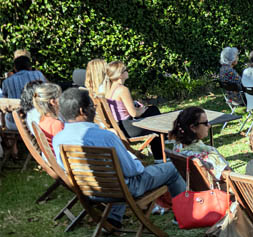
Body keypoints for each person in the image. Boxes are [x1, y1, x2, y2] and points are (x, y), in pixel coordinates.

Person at [53, 88, 186, 229]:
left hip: (89, 192)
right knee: (173, 168)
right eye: (92, 106)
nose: (94, 110)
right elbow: (132, 171)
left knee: (113, 176)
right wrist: (138, 163)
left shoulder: (58, 140)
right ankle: (184, 216)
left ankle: (113, 218)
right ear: (82, 111)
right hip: (123, 190)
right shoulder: (105, 137)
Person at [104, 61, 163, 156]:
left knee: (152, 111)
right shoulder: (122, 89)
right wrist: (143, 109)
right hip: (128, 129)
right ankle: (159, 154)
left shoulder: (109, 90)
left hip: (119, 127)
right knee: (153, 113)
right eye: (126, 70)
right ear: (120, 75)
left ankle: (159, 149)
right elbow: (134, 114)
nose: (128, 71)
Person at [168, 106, 230, 180]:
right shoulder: (209, 153)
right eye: (206, 123)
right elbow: (229, 176)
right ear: (193, 128)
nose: (209, 125)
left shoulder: (178, 147)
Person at [2, 56, 47, 129]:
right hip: (37, 121)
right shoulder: (38, 74)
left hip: (14, 123)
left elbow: (4, 100)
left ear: (15, 68)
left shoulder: (6, 82)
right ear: (30, 67)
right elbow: (48, 90)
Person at [33, 83, 64, 151]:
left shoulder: (43, 119)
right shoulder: (56, 125)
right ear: (53, 102)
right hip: (62, 159)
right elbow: (66, 147)